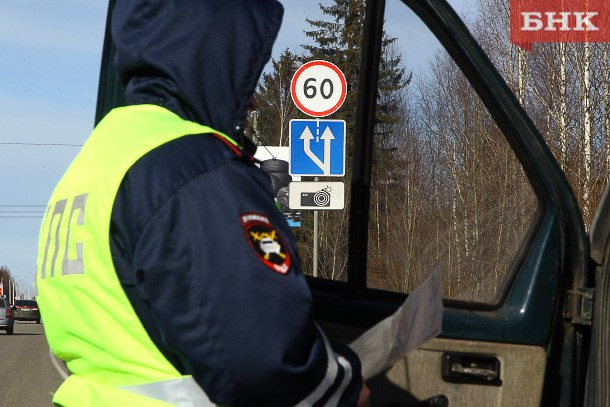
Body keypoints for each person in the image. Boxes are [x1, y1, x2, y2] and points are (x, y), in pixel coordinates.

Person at [35, 0, 370, 406]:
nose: (253, 102)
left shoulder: (96, 159)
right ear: (210, 59)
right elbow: (264, 362)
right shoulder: (197, 170)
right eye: (243, 77)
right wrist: (345, 385)